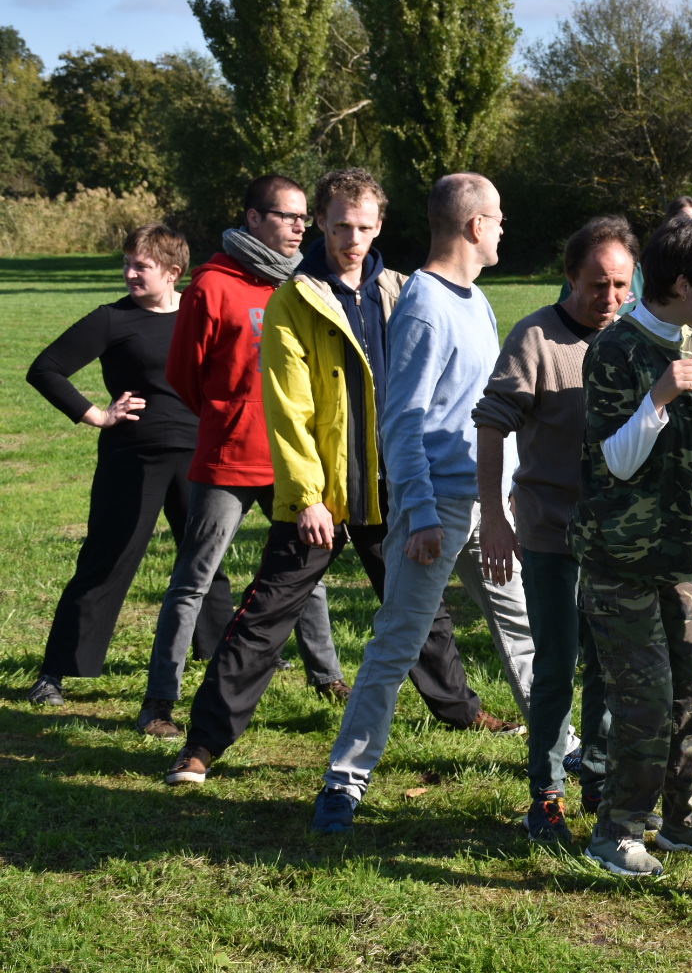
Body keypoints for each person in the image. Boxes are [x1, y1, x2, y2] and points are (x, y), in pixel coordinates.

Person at [163, 169, 518, 788]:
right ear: (320, 225)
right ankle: (203, 743)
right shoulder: (294, 299)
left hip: (395, 485)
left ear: (380, 226)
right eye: (339, 225)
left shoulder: (405, 291)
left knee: (421, 610)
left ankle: (461, 711)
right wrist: (306, 497)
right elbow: (289, 407)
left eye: (364, 226)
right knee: (265, 615)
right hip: (323, 494)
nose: (351, 239)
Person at [307, 173, 514, 832]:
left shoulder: (475, 299)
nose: (504, 227)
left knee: (526, 636)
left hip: (487, 505)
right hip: (439, 509)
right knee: (396, 646)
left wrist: (507, 497)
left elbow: (482, 409)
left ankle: (562, 753)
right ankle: (344, 783)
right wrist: (420, 513)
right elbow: (403, 420)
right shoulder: (424, 303)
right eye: (499, 217)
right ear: (475, 227)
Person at [138, 176, 344, 737]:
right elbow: (184, 373)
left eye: (305, 217)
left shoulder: (304, 284)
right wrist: (234, 412)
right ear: (253, 218)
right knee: (192, 582)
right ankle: (159, 702)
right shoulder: (212, 284)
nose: (300, 226)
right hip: (228, 459)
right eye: (286, 216)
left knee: (307, 576)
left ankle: (326, 676)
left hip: (291, 461)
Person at [571, 217, 692, 876]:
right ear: (680, 284)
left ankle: (680, 818)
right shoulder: (616, 350)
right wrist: (660, 397)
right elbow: (614, 461)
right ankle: (617, 831)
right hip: (619, 563)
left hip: (681, 558)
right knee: (642, 705)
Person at [473, 215, 639, 843]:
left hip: (618, 535)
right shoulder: (536, 338)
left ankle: (595, 773)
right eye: (598, 285)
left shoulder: (632, 336)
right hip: (550, 530)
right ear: (571, 277)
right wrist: (494, 516)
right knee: (556, 664)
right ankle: (546, 791)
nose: (611, 299)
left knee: (606, 662)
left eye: (622, 284)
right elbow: (491, 423)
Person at [25, 226, 233, 708]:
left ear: (173, 273)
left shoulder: (200, 315)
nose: (129, 273)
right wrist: (97, 415)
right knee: (108, 558)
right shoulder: (111, 320)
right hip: (132, 457)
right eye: (127, 264)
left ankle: (217, 647)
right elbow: (45, 368)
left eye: (141, 266)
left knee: (205, 557)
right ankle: (55, 671)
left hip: (197, 454)